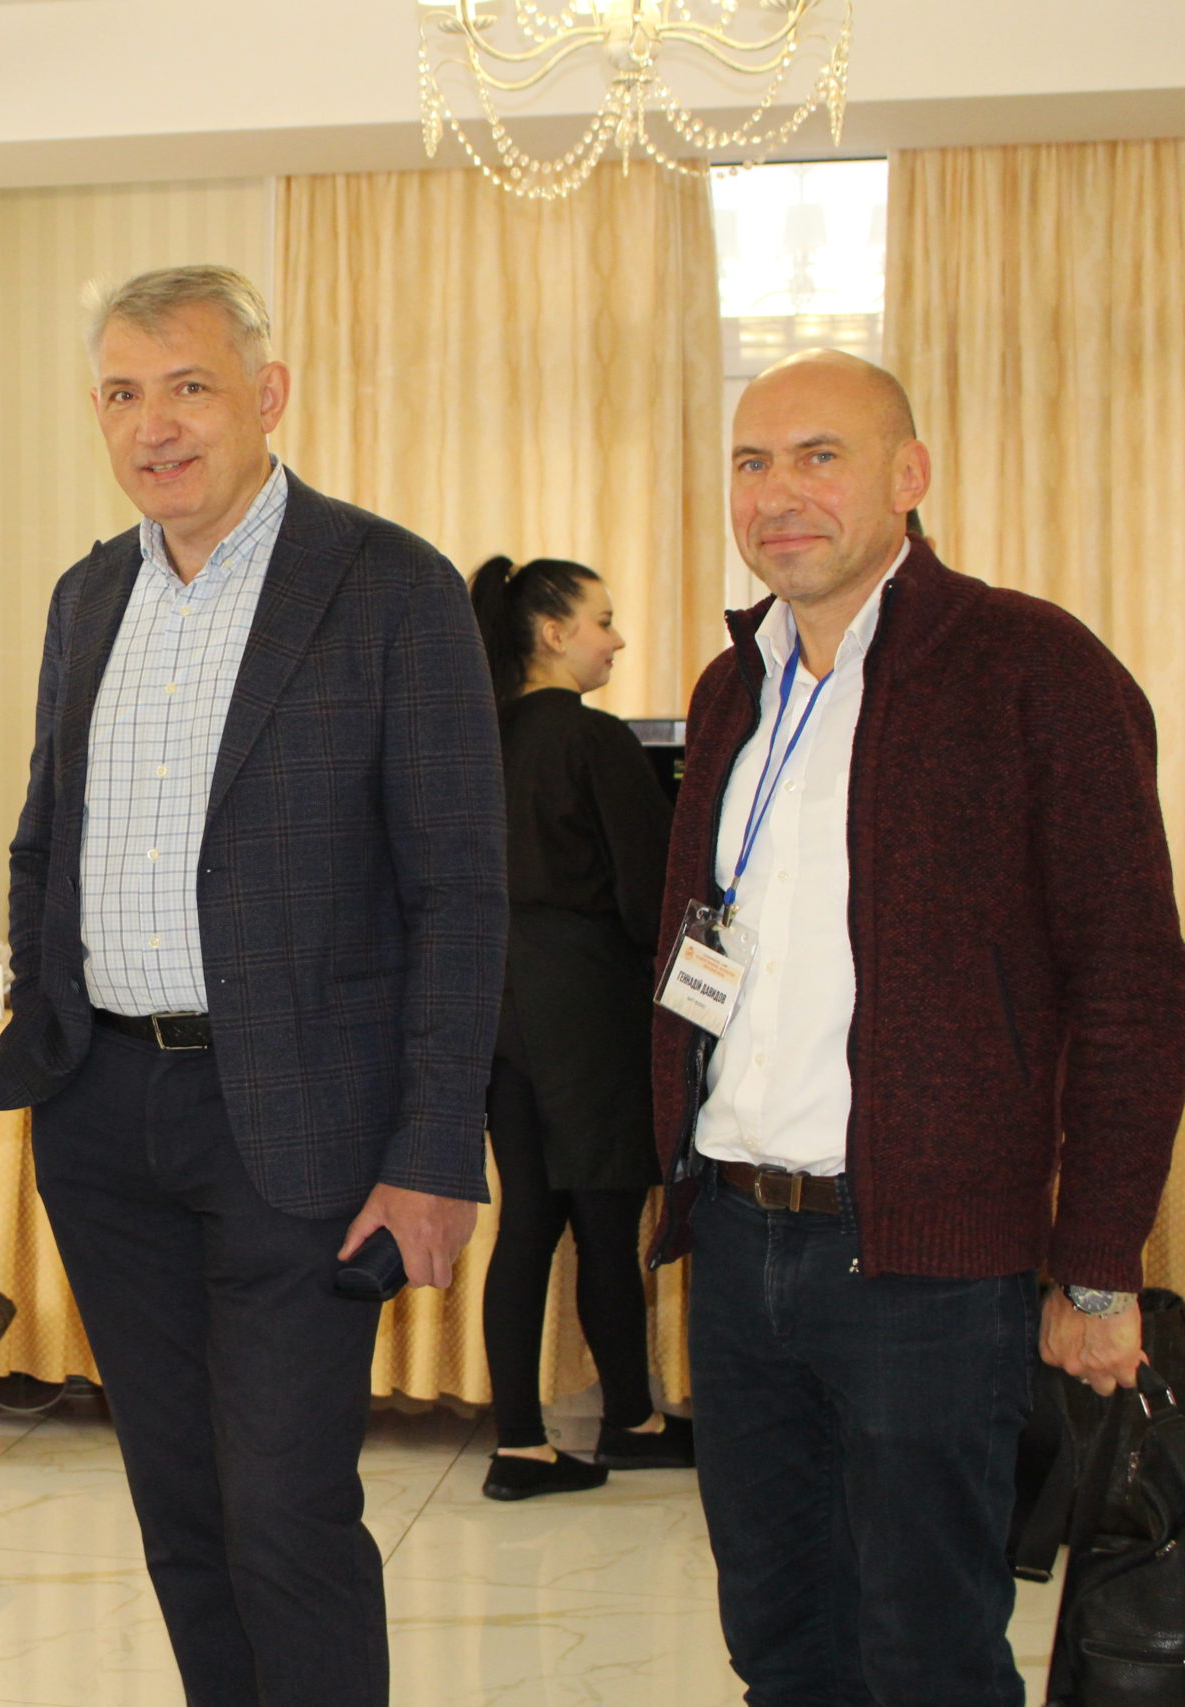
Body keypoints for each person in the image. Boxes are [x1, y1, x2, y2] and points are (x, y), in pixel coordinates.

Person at [0, 265, 504, 1707]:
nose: (154, 424)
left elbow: (461, 891)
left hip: (300, 1124)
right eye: (122, 393)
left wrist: (432, 1148)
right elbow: (43, 841)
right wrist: (45, 1019)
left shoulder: (390, 585)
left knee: (284, 1510)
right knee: (182, 1508)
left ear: (267, 395)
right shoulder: (89, 594)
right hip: (104, 1116)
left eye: (189, 387)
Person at [649, 349, 1185, 1706]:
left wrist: (1099, 1265)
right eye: (751, 461)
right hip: (740, 1239)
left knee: (928, 1656)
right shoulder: (731, 688)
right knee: (780, 1644)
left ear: (909, 476)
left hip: (931, 1267)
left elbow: (1131, 987)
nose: (777, 493)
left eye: (818, 456)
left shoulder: (1032, 667)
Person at [464, 556, 685, 1500]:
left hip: (497, 1005)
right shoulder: (594, 740)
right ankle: (631, 1420)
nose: (616, 639)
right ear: (552, 633)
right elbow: (651, 895)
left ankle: (520, 1442)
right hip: (590, 1005)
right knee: (605, 1223)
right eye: (603, 619)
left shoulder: (475, 740)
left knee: (525, 1222)